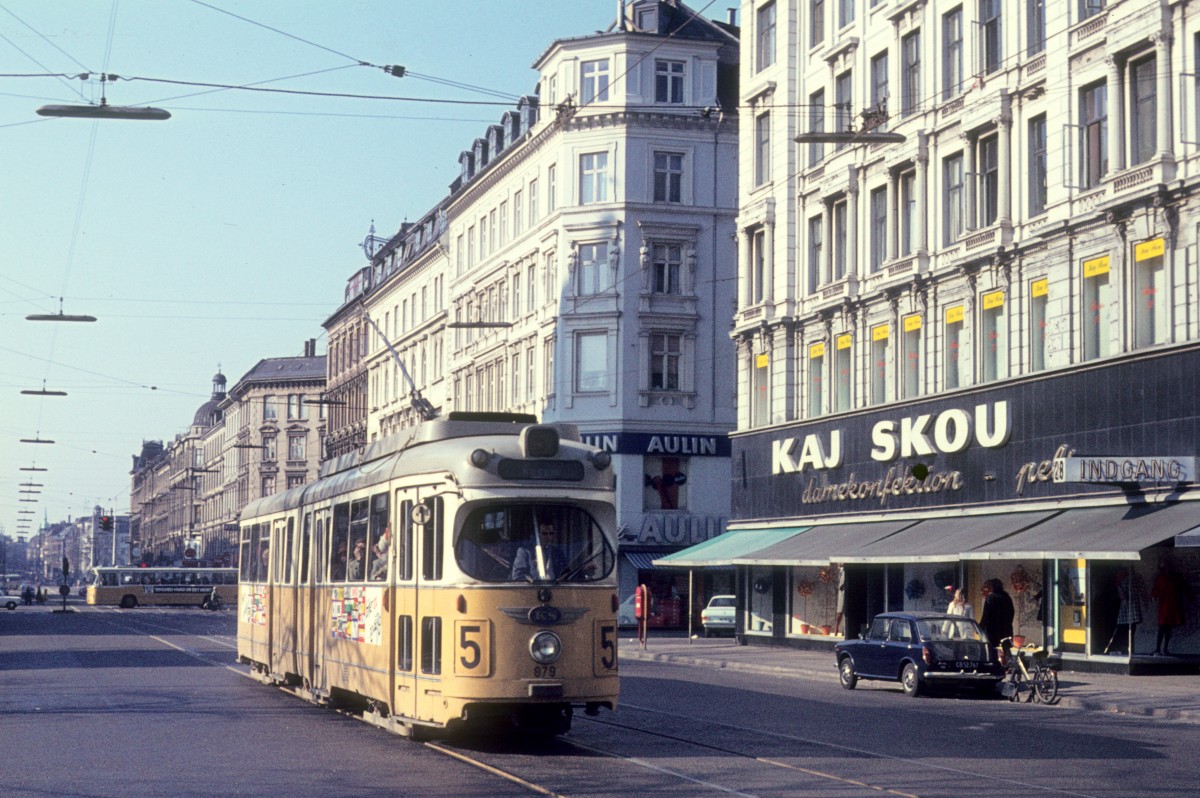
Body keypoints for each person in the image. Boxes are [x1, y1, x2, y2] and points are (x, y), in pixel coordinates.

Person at [1151, 561, 1194, 656]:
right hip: (1166, 605)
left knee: (1166, 627)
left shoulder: (1175, 577)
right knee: (1163, 626)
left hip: (1172, 605)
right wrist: (1154, 596)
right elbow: (1156, 589)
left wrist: (1190, 597)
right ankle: (1159, 648)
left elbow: (1184, 587)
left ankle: (1163, 648)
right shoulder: (1161, 578)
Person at [979, 577, 1015, 654]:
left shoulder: (991, 597)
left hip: (992, 630)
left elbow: (986, 614)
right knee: (1006, 651)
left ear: (993, 587)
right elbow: (1012, 612)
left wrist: (980, 627)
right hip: (1006, 629)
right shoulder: (1007, 597)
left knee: (991, 651)